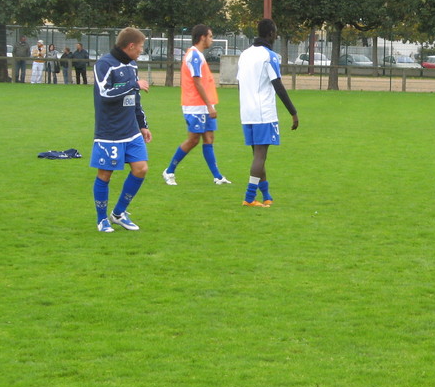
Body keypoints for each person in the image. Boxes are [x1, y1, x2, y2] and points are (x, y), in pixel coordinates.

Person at [91, 27, 151, 232]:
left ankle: (118, 213)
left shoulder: (132, 65)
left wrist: (142, 125)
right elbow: (105, 93)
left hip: (131, 130)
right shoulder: (104, 64)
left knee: (141, 168)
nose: (141, 51)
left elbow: (135, 99)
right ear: (131, 46)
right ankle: (101, 219)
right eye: (140, 47)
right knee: (105, 175)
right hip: (109, 132)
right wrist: (133, 84)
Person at [237, 18, 299, 207]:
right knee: (260, 156)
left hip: (247, 112)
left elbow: (240, 83)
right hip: (263, 112)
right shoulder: (269, 56)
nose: (277, 35)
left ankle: (267, 195)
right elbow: (278, 85)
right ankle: (249, 198)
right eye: (276, 32)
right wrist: (293, 112)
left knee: (257, 155)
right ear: (270, 34)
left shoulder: (244, 55)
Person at [162, 24, 231, 186]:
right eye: (211, 36)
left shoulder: (198, 55)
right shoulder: (194, 56)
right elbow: (197, 82)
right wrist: (209, 106)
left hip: (203, 105)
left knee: (209, 138)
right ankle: (169, 171)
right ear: (202, 37)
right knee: (193, 140)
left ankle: (217, 177)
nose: (212, 40)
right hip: (195, 106)